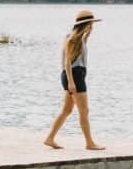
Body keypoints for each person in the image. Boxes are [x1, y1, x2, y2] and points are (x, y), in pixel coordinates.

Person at [43, 8, 105, 151]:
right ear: (85, 24)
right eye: (90, 23)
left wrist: (87, 36)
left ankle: (49, 138)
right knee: (84, 110)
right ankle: (89, 143)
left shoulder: (79, 39)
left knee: (67, 110)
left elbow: (80, 51)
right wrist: (71, 82)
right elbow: (67, 62)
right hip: (74, 75)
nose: (92, 26)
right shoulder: (71, 39)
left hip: (76, 74)